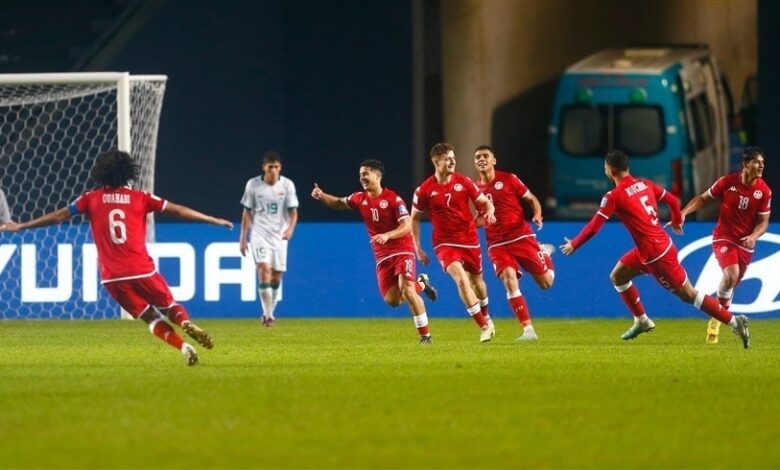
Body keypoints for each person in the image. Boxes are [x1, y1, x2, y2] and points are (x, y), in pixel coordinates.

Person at [0, 149, 233, 365]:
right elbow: (178, 210)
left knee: (150, 318)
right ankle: (185, 322)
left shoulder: (90, 198)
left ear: (101, 173)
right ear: (128, 173)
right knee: (169, 306)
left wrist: (22, 226)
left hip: (112, 277)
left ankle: (183, 347)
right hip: (142, 269)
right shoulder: (141, 197)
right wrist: (211, 219)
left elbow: (58, 216)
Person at [559, 149, 751, 348]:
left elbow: (594, 227)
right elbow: (673, 200)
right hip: (653, 247)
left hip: (656, 255)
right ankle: (641, 320)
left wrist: (574, 243)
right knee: (618, 276)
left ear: (611, 170)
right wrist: (676, 219)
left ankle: (734, 322)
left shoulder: (613, 196)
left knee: (689, 295)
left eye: (605, 167)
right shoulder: (645, 183)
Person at [311, 159, 438, 343]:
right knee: (392, 300)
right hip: (382, 255)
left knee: (408, 291)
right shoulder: (359, 198)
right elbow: (338, 202)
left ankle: (425, 336)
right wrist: (322, 195)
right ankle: (422, 283)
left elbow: (407, 225)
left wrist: (388, 235)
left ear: (377, 176)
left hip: (402, 249)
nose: (362, 178)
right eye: (360, 174)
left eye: (366, 174)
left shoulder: (393, 199)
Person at [679, 146, 772, 344]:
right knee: (731, 274)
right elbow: (703, 199)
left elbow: (763, 223)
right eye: (756, 162)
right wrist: (684, 213)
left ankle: (717, 317)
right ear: (745, 164)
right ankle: (719, 319)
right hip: (724, 237)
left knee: (731, 282)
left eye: (762, 162)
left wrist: (754, 236)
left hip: (746, 243)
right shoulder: (727, 182)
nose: (761, 166)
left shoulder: (764, 191)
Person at [411, 142, 497, 342]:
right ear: (436, 162)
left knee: (477, 283)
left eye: (453, 158)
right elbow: (414, 218)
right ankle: (484, 326)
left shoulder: (464, 182)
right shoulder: (424, 190)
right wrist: (418, 248)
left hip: (469, 239)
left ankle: (486, 316)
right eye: (447, 159)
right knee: (461, 279)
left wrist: (490, 212)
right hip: (444, 243)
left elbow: (486, 203)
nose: (452, 162)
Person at [473, 145, 555, 341]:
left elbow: (531, 199)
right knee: (509, 279)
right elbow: (479, 218)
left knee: (546, 283)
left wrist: (537, 214)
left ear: (494, 160)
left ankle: (544, 253)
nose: (481, 159)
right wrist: (471, 224)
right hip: (496, 243)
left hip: (521, 236)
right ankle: (528, 330)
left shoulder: (509, 179)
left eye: (485, 156)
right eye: (477, 157)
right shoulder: (475, 190)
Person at [239, 151, 299, 327]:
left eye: (276, 167)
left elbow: (293, 213)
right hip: (259, 234)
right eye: (270, 166)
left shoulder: (287, 185)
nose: (273, 170)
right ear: (264, 167)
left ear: (280, 168)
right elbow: (246, 212)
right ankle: (268, 314)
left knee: (276, 276)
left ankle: (270, 310)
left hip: (279, 236)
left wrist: (290, 229)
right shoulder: (253, 185)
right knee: (264, 269)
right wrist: (243, 238)